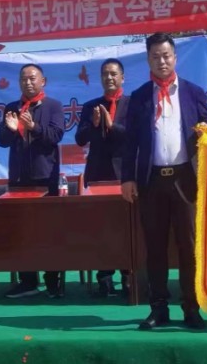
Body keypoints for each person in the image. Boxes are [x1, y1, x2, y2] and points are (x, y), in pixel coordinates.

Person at [122, 33, 207, 331]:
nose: (161, 61)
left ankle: (191, 308)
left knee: (189, 246)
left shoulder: (193, 92)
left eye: (166, 55)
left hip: (186, 180)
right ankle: (158, 308)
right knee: (155, 247)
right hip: (152, 182)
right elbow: (130, 142)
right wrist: (128, 178)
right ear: (148, 59)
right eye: (155, 56)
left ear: (175, 57)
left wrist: (206, 131)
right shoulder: (139, 97)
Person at [0, 64, 65, 298]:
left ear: (43, 81)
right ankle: (28, 281)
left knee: (49, 231)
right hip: (19, 180)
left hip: (46, 179)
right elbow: (1, 140)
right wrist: (11, 130)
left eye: (32, 78)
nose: (28, 82)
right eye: (24, 79)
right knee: (21, 232)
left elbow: (55, 136)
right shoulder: (12, 108)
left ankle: (52, 281)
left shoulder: (53, 106)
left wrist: (33, 127)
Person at [75, 58, 131, 297]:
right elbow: (80, 139)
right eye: (105, 74)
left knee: (127, 227)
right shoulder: (91, 106)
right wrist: (95, 124)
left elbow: (136, 136)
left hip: (125, 175)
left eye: (113, 74)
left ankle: (129, 275)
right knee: (102, 228)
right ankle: (104, 277)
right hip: (98, 174)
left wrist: (112, 126)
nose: (109, 78)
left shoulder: (132, 103)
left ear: (122, 77)